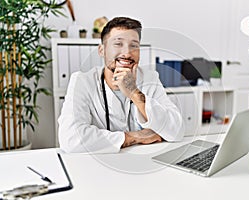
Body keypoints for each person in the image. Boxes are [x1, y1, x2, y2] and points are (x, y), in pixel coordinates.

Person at [58, 17, 183, 153]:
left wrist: (134, 92)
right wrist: (133, 137)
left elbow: (177, 130)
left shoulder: (150, 78)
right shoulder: (82, 81)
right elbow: (71, 138)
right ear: (102, 50)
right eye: (118, 44)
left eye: (134, 45)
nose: (127, 53)